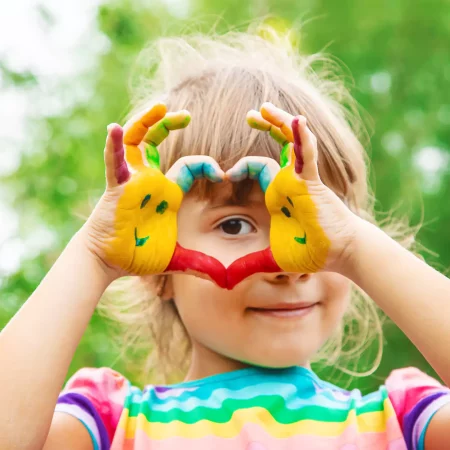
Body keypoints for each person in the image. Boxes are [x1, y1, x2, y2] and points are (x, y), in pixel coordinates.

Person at [2, 25, 450, 450]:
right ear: (156, 270)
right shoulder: (109, 425)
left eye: (316, 220)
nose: (289, 265)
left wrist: (354, 246)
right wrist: (94, 254)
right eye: (235, 224)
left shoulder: (405, 423)